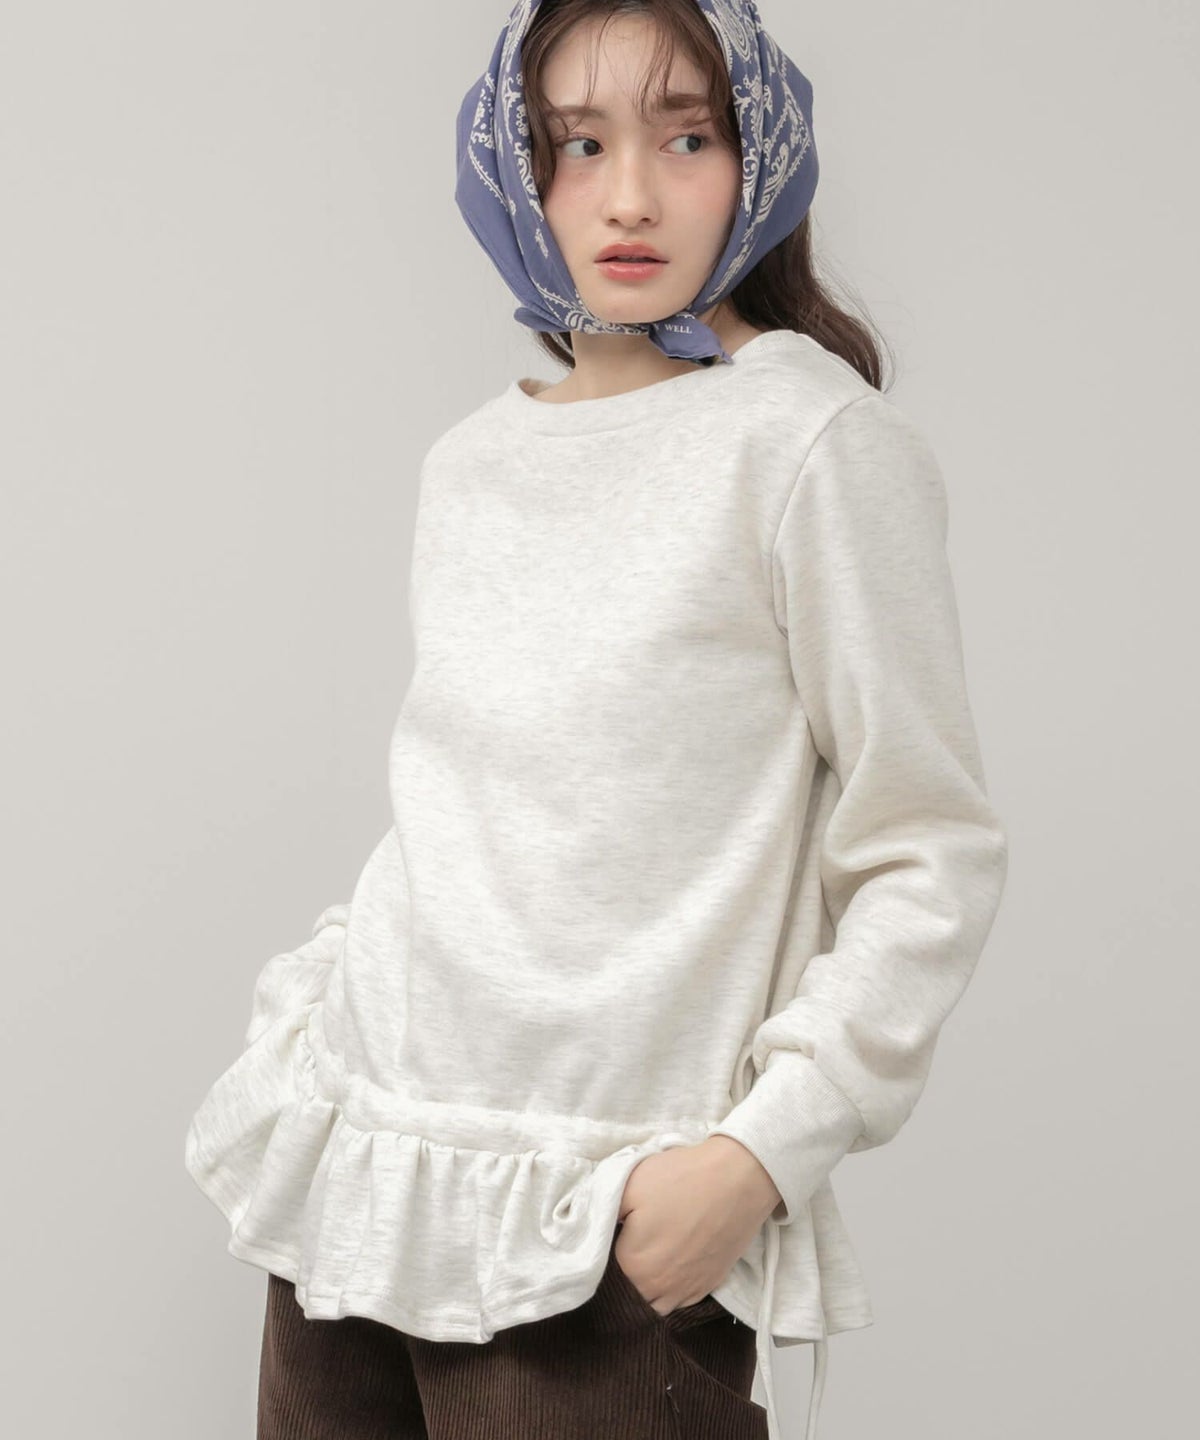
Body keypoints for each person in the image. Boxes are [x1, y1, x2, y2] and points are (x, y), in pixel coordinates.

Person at [184, 3, 1010, 1438]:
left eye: (686, 139)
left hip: (604, 1217)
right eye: (578, 145)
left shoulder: (811, 445)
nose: (629, 196)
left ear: (760, 157)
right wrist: (325, 1006)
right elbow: (471, 800)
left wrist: (756, 1158)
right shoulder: (472, 461)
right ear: (515, 168)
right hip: (366, 1167)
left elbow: (928, 850)